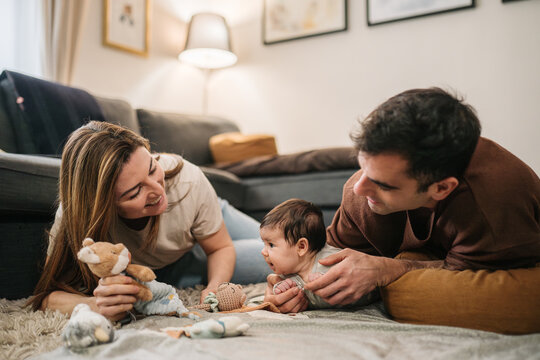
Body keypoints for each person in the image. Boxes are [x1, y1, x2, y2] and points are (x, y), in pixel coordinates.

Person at [265, 87, 540, 313]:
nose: (360, 188)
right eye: (363, 168)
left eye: (383, 184)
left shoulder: (492, 206)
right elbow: (319, 255)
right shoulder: (358, 193)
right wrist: (283, 284)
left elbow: (468, 275)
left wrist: (391, 267)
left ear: (441, 188)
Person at [29, 121, 270, 321]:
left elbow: (219, 246)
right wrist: (94, 305)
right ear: (101, 205)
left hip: (203, 211)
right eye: (135, 192)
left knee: (286, 248)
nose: (157, 190)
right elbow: (46, 296)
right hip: (178, 257)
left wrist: (215, 288)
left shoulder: (186, 180)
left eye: (152, 168)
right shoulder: (74, 216)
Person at [260, 198, 378, 310]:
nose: (263, 252)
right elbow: (281, 293)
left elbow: (358, 280)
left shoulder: (329, 261)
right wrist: (279, 289)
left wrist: (329, 280)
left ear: (301, 247)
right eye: (264, 243)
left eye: (271, 245)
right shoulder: (289, 269)